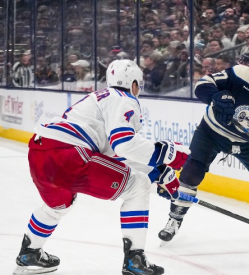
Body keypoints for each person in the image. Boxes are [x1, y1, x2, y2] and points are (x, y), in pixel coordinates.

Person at [13, 60, 190, 275]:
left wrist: (158, 171)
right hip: (69, 153)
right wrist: (171, 155)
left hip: (40, 151)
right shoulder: (124, 99)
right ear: (133, 83)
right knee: (139, 186)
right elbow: (125, 145)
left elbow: (111, 155)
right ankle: (134, 259)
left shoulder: (99, 99)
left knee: (59, 205)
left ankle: (29, 252)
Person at [158, 48, 249, 244]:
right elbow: (203, 84)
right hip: (211, 132)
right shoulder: (241, 73)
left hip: (246, 143)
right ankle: (174, 220)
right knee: (191, 173)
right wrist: (216, 98)